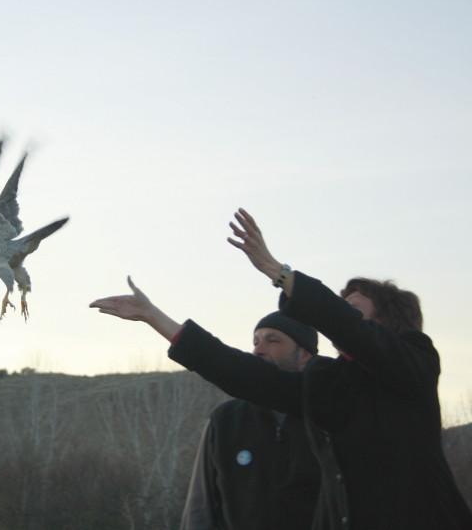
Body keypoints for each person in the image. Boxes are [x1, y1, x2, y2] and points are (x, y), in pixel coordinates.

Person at [90, 208, 472, 530]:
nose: (339, 315)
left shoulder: (415, 363)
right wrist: (156, 318)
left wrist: (278, 271)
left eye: (352, 307)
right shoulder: (330, 383)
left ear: (383, 322)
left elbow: (355, 332)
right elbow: (243, 374)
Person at [181, 312, 321, 530]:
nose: (258, 350)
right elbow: (201, 505)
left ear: (305, 355)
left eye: (272, 340)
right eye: (256, 342)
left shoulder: (329, 419)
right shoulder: (225, 420)